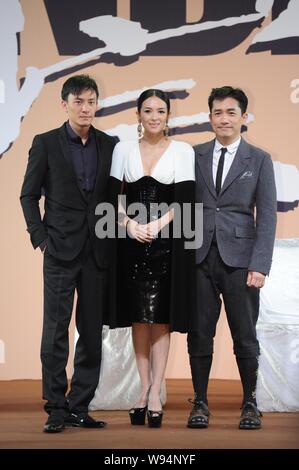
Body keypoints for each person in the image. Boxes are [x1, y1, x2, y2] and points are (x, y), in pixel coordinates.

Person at [20, 74, 116, 433]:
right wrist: (40, 237)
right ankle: (56, 407)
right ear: (65, 105)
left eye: (91, 101)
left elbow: (116, 198)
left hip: (98, 253)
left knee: (91, 333)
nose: (86, 107)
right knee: (56, 331)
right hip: (59, 250)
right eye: (78, 101)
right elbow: (28, 195)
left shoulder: (110, 144)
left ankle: (80, 406)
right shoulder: (45, 143)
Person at [187, 86, 277, 430]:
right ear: (209, 117)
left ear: (244, 117)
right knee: (199, 333)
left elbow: (267, 216)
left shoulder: (259, 159)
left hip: (241, 261)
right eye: (217, 112)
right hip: (198, 257)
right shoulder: (192, 155)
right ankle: (199, 402)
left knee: (244, 334)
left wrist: (259, 264)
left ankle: (251, 403)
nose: (224, 118)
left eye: (231, 112)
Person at [109, 89, 195, 427]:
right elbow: (112, 199)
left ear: (169, 115)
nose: (155, 116)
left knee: (160, 318)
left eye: (161, 110)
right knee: (137, 319)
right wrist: (129, 225)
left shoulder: (183, 151)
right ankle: (143, 389)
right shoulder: (122, 149)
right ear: (139, 115)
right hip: (130, 244)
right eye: (148, 110)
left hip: (167, 245)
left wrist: (156, 225)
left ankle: (157, 390)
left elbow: (186, 200)